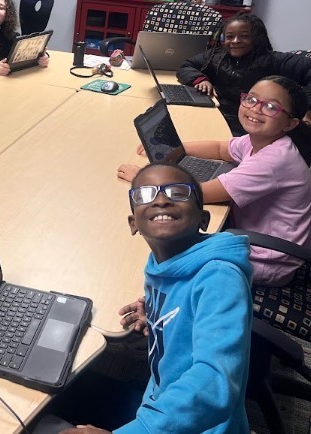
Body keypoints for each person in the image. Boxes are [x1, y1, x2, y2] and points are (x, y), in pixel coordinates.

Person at [48, 163, 252, 434]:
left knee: (40, 420)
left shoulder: (219, 278)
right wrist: (159, 314)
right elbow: (184, 299)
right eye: (146, 195)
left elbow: (214, 383)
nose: (162, 200)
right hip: (163, 403)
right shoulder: (165, 261)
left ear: (203, 219)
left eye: (178, 192)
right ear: (134, 224)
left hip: (201, 424)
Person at [118, 75, 311, 286]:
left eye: (271, 107)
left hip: (269, 259)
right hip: (255, 235)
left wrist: (144, 180)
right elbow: (220, 148)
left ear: (290, 123)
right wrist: (175, 149)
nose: (255, 109)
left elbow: (199, 195)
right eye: (251, 99)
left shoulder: (274, 160)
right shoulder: (263, 140)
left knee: (169, 246)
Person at [176, 13, 311, 135]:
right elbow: (186, 65)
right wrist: (200, 79)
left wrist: (309, 113)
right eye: (230, 36)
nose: (235, 41)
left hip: (252, 123)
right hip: (215, 113)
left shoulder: (274, 60)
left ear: (257, 38)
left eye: (244, 36)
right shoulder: (216, 56)